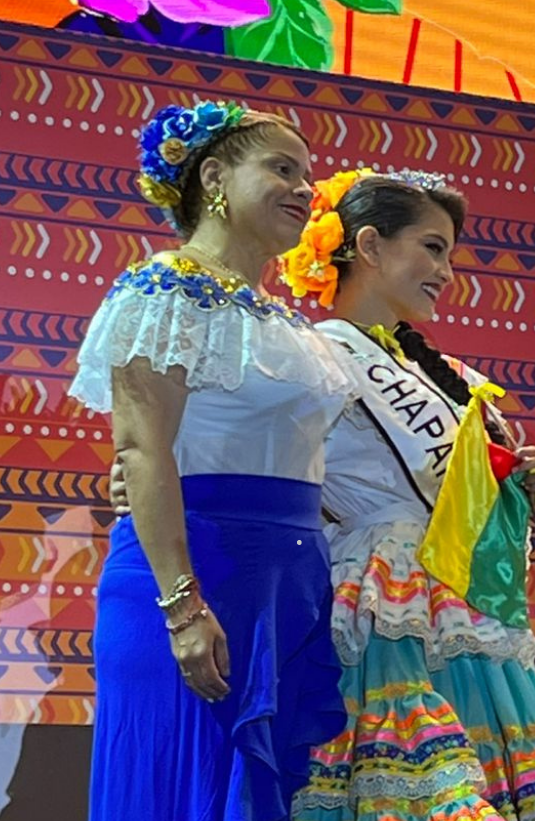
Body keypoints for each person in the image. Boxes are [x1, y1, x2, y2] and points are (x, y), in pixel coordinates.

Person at [278, 171, 535, 820]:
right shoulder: (307, 354)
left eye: (448, 253)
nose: (446, 271)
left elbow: (461, 503)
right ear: (368, 245)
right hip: (382, 596)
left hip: (459, 602)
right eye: (431, 247)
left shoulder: (449, 377)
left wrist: (518, 482)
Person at [70, 100, 355, 820]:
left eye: (309, 176)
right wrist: (182, 608)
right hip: (198, 577)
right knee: (186, 790)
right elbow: (141, 448)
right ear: (217, 176)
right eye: (282, 169)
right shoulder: (161, 291)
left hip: (284, 586)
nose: (304, 190)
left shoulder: (288, 323)